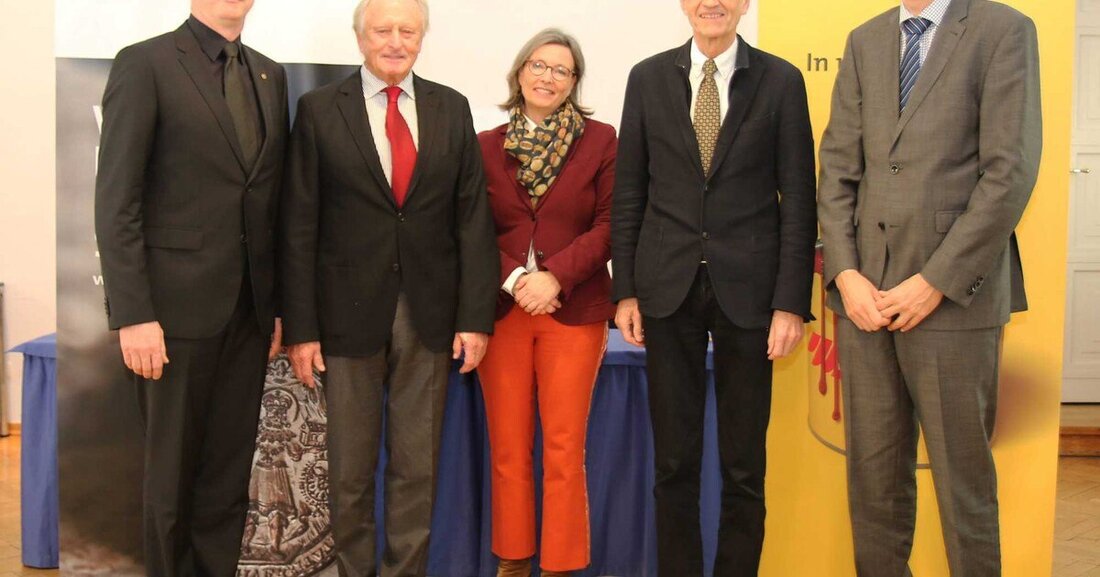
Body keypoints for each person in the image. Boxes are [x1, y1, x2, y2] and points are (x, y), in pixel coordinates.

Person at [817, 0, 1041, 574]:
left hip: (952, 301)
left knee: (962, 484)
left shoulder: (1003, 30)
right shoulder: (866, 38)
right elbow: (838, 166)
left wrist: (935, 281)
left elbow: (1009, 171)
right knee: (873, 484)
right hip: (864, 297)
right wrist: (844, 273)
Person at [278, 0, 498, 575]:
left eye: (408, 30)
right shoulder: (320, 110)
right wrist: (301, 329)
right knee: (349, 469)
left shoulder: (452, 108)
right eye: (383, 29)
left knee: (416, 468)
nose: (396, 41)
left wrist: (475, 318)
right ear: (360, 38)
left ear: (422, 38)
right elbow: (298, 226)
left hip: (430, 317)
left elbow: (472, 220)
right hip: (344, 319)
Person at [610, 0, 817, 574]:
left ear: (746, 4)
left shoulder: (781, 80)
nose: (713, 3)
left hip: (751, 294)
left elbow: (799, 199)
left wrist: (789, 302)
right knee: (673, 463)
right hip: (666, 289)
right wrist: (625, 291)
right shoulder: (647, 77)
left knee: (744, 465)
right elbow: (629, 193)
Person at [94, 0, 288, 574]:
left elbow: (269, 200)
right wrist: (133, 313)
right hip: (171, 318)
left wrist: (274, 307)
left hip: (248, 316)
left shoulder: (269, 74)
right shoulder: (145, 64)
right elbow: (117, 201)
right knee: (171, 481)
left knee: (226, 479)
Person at [476, 28, 616, 577]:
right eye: (539, 65)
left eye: (561, 70)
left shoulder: (602, 140)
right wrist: (515, 278)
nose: (547, 77)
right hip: (504, 314)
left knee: (564, 448)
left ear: (574, 82)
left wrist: (554, 277)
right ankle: (513, 559)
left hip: (574, 311)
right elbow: (469, 229)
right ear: (519, 73)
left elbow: (610, 224)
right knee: (509, 449)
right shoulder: (485, 145)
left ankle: (560, 565)